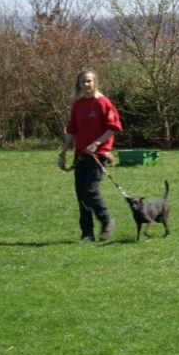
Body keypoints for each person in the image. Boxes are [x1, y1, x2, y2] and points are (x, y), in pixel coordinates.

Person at [58, 68, 122, 242]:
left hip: (98, 155)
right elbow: (72, 131)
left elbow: (113, 127)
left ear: (95, 82)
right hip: (80, 156)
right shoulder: (78, 105)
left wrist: (96, 144)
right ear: (78, 84)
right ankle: (87, 233)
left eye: (89, 81)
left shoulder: (103, 102)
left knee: (90, 191)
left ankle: (107, 220)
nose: (86, 84)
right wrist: (62, 152)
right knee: (81, 195)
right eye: (83, 81)